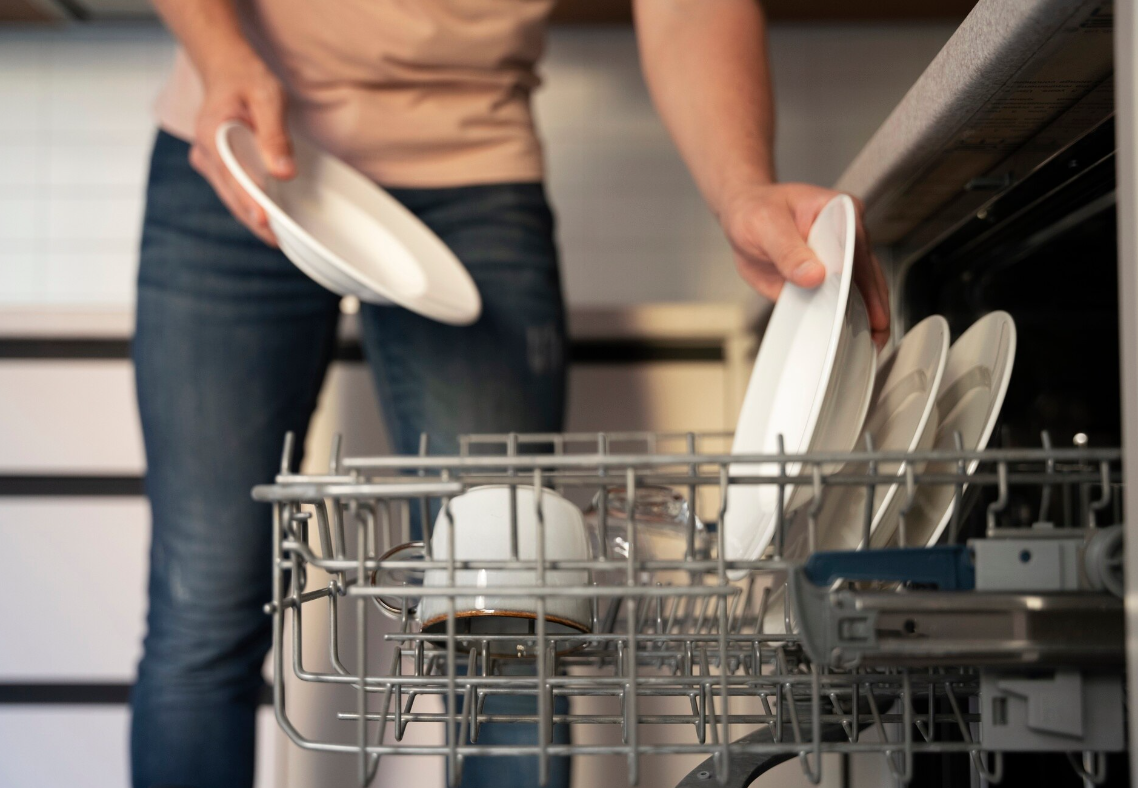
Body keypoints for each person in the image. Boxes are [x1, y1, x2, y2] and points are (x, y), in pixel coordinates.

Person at [130, 1, 891, 787]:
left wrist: (742, 188)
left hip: (472, 173)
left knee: (510, 632)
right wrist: (221, 55)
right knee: (202, 615)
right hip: (243, 143)